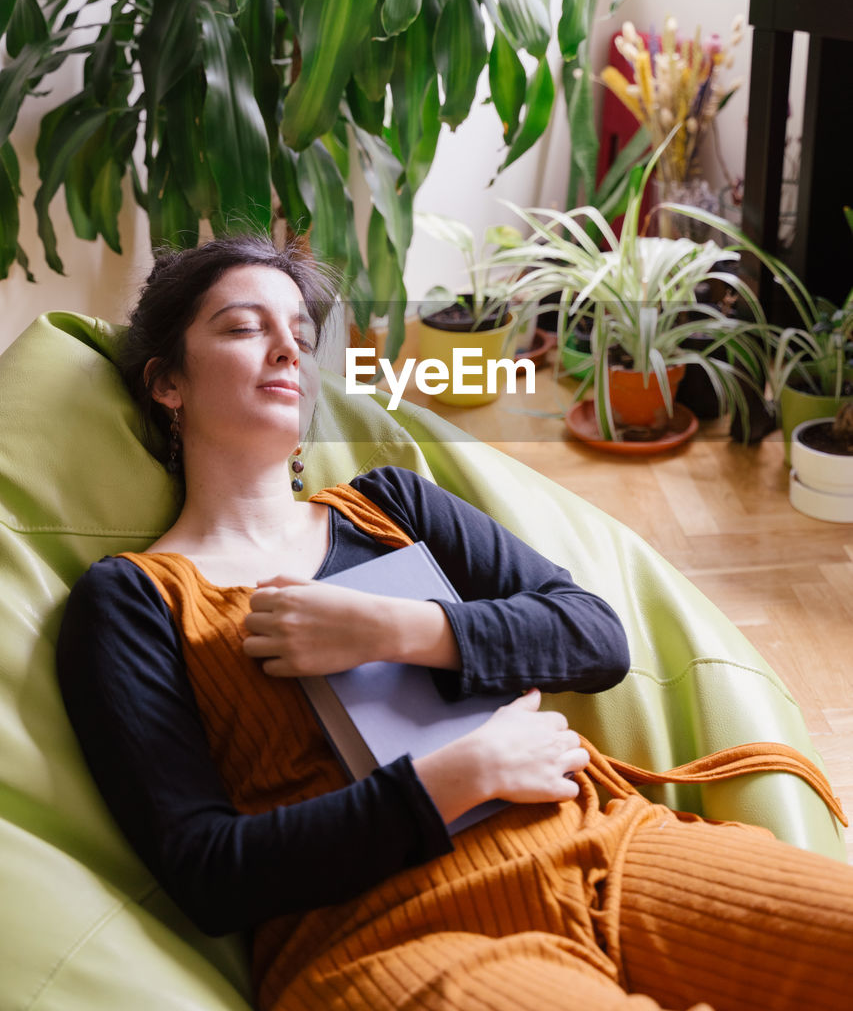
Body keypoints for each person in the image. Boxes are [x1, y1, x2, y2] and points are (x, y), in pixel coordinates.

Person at [56, 234, 852, 1011]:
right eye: (242, 328)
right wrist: (459, 776)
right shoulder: (130, 601)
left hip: (604, 851)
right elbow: (209, 872)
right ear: (168, 383)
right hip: (387, 937)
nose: (287, 351)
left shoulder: (391, 503)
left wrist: (398, 630)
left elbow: (594, 637)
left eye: (299, 334)